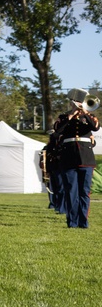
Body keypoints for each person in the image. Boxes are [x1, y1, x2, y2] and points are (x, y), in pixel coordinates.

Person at [55, 88, 99, 228]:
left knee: (84, 192)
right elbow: (57, 129)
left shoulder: (89, 116)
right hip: (68, 157)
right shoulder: (64, 117)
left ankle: (83, 221)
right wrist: (72, 114)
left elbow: (96, 127)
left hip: (86, 158)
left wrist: (85, 112)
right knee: (71, 192)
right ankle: (72, 222)